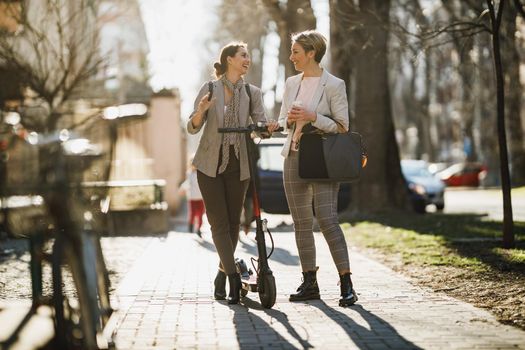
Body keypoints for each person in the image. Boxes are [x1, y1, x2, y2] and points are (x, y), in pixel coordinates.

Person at [187, 42, 278, 304]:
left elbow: (260, 126)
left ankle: (221, 273)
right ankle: (234, 278)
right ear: (229, 60)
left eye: (248, 56)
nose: (247, 60)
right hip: (209, 165)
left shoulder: (253, 92)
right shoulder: (210, 88)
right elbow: (192, 127)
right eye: (243, 56)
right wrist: (200, 112)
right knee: (218, 223)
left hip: (240, 165)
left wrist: (267, 127)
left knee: (233, 224)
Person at [277, 30, 358, 307]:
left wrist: (314, 117)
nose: (292, 57)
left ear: (311, 53)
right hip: (293, 156)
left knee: (327, 219)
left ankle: (346, 282)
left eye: (296, 52)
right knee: (300, 223)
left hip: (322, 158)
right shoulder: (290, 83)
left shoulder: (334, 85)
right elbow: (282, 119)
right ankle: (309, 283)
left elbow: (343, 126)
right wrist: (287, 120)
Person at [180, 159, 205, 237]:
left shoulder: (201, 173)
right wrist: (182, 188)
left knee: (200, 214)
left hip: (200, 197)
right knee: (193, 213)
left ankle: (198, 229)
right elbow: (188, 182)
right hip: (192, 198)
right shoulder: (189, 173)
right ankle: (191, 224)